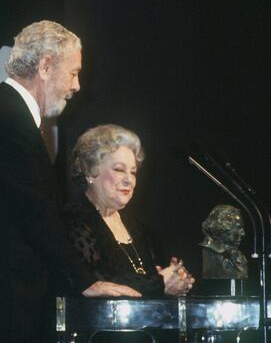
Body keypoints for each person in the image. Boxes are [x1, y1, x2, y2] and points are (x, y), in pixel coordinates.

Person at [0, 21, 139, 343]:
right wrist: (85, 281)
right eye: (73, 73)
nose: (76, 86)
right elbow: (36, 213)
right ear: (45, 66)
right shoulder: (7, 120)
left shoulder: (3, 113)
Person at [65, 124, 195, 297]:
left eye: (133, 172)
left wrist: (175, 279)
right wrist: (159, 282)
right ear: (91, 172)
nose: (129, 180)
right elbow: (97, 281)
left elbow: (150, 279)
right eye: (119, 170)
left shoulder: (139, 229)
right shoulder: (73, 219)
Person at [200, 204, 248, 279]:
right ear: (221, 227)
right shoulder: (208, 255)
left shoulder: (236, 256)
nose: (243, 233)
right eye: (238, 228)